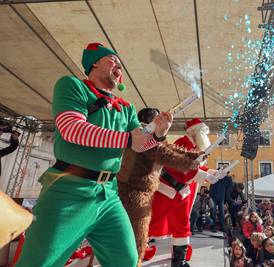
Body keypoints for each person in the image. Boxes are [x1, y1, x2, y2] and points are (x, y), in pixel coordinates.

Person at [15, 42, 172, 267]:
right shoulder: (72, 86)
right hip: (68, 190)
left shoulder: (126, 108)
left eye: (120, 64)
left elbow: (139, 144)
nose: (119, 67)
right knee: (39, 263)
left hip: (109, 195)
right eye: (113, 60)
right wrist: (128, 138)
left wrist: (158, 134)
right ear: (95, 62)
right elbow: (72, 129)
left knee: (126, 261)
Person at [117, 107, 202, 267]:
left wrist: (194, 155)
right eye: (160, 121)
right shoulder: (142, 135)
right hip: (134, 192)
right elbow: (163, 153)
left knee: (137, 233)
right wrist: (190, 163)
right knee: (137, 236)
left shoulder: (152, 136)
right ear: (153, 122)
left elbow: (168, 148)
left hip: (142, 192)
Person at [147, 118, 219, 267]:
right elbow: (177, 167)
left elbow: (195, 168)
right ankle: (134, 250)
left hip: (181, 192)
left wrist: (212, 172)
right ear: (196, 133)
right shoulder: (181, 143)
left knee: (182, 225)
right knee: (151, 221)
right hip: (167, 191)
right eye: (203, 133)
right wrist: (205, 175)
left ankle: (179, 261)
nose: (205, 137)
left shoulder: (194, 146)